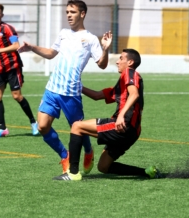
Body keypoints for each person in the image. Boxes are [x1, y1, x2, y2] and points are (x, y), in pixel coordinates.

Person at [17, 0, 112, 174]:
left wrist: (105, 49)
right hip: (52, 89)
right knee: (42, 126)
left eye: (73, 12)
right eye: (67, 11)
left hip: (71, 93)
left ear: (82, 14)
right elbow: (51, 53)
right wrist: (31, 47)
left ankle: (89, 152)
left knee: (79, 129)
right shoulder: (63, 33)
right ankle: (64, 155)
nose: (68, 15)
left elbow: (102, 64)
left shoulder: (91, 39)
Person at [53, 48, 160, 181]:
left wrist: (121, 116)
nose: (117, 62)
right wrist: (76, 86)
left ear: (130, 62)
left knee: (77, 126)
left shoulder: (129, 72)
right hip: (133, 132)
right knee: (103, 166)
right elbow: (98, 96)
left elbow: (134, 94)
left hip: (123, 125)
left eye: (121, 58)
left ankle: (73, 173)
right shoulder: (121, 84)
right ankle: (147, 172)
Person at [0, 3, 39, 138]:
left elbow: (16, 45)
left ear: (2, 15)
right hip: (1, 67)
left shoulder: (8, 29)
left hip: (12, 66)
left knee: (17, 96)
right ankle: (2, 128)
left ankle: (34, 123)